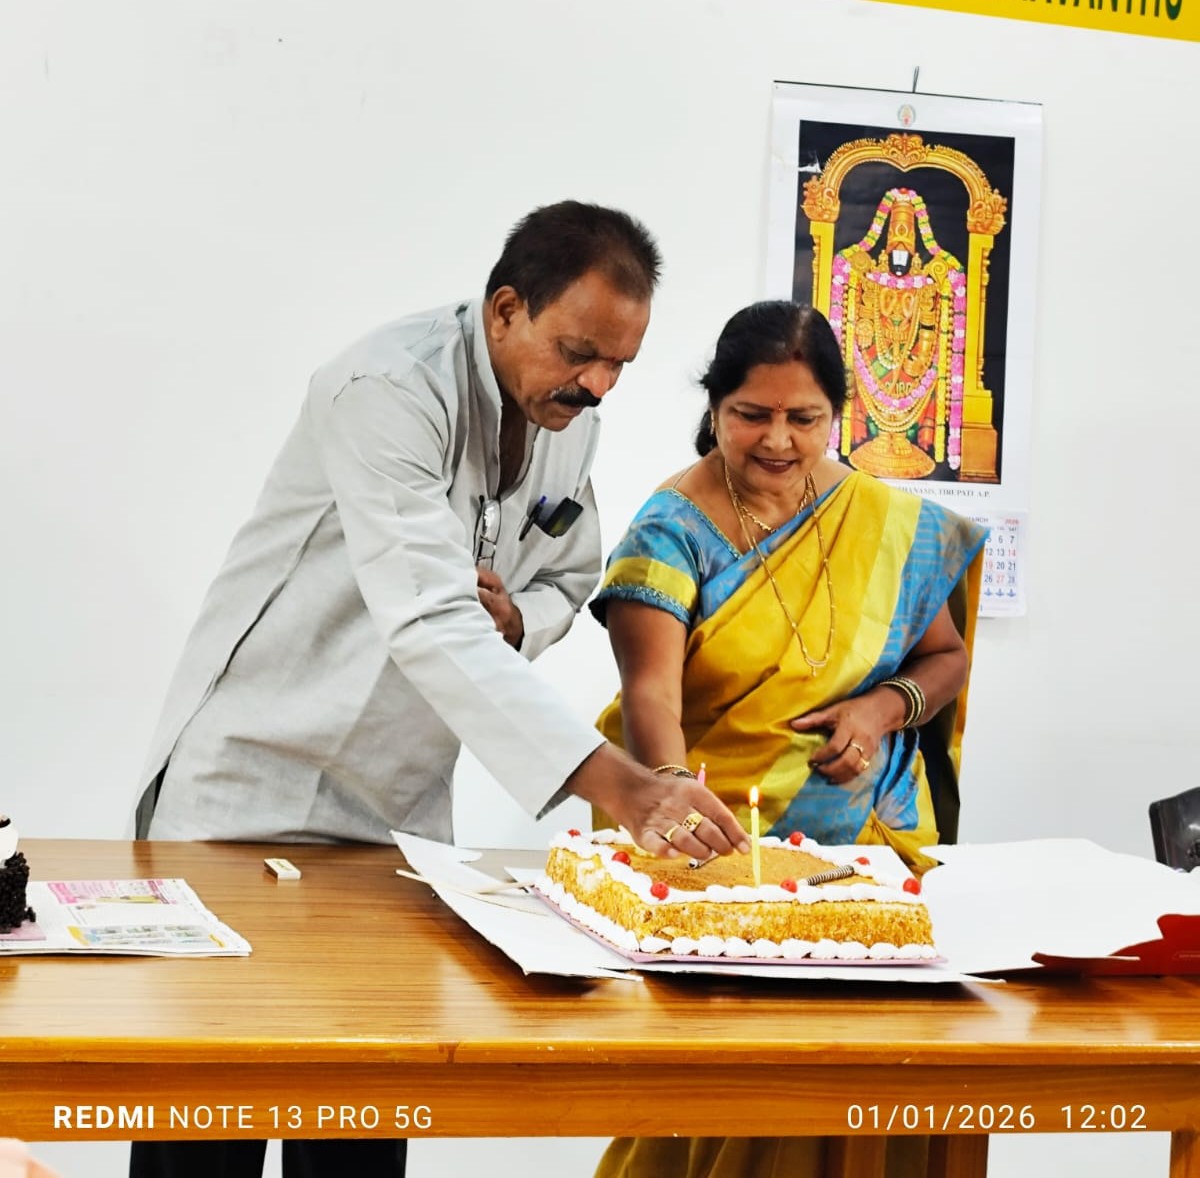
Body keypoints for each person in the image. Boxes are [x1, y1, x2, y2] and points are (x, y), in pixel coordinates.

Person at [130, 201, 747, 1178]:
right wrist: (625, 785)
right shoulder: (387, 389)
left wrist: (521, 621)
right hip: (251, 787)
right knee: (209, 1127)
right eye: (579, 351)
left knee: (364, 1126)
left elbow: (562, 574)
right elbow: (423, 614)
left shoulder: (565, 419)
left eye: (620, 364)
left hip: (396, 809)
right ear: (505, 309)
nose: (597, 384)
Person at [588, 299, 987, 1178]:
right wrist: (666, 799)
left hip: (874, 857)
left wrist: (880, 711)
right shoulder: (672, 526)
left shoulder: (894, 524)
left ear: (836, 415)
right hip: (721, 851)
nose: (777, 440)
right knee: (729, 1094)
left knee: (881, 1095)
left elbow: (943, 659)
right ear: (715, 409)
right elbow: (649, 689)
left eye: (803, 419)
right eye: (750, 416)